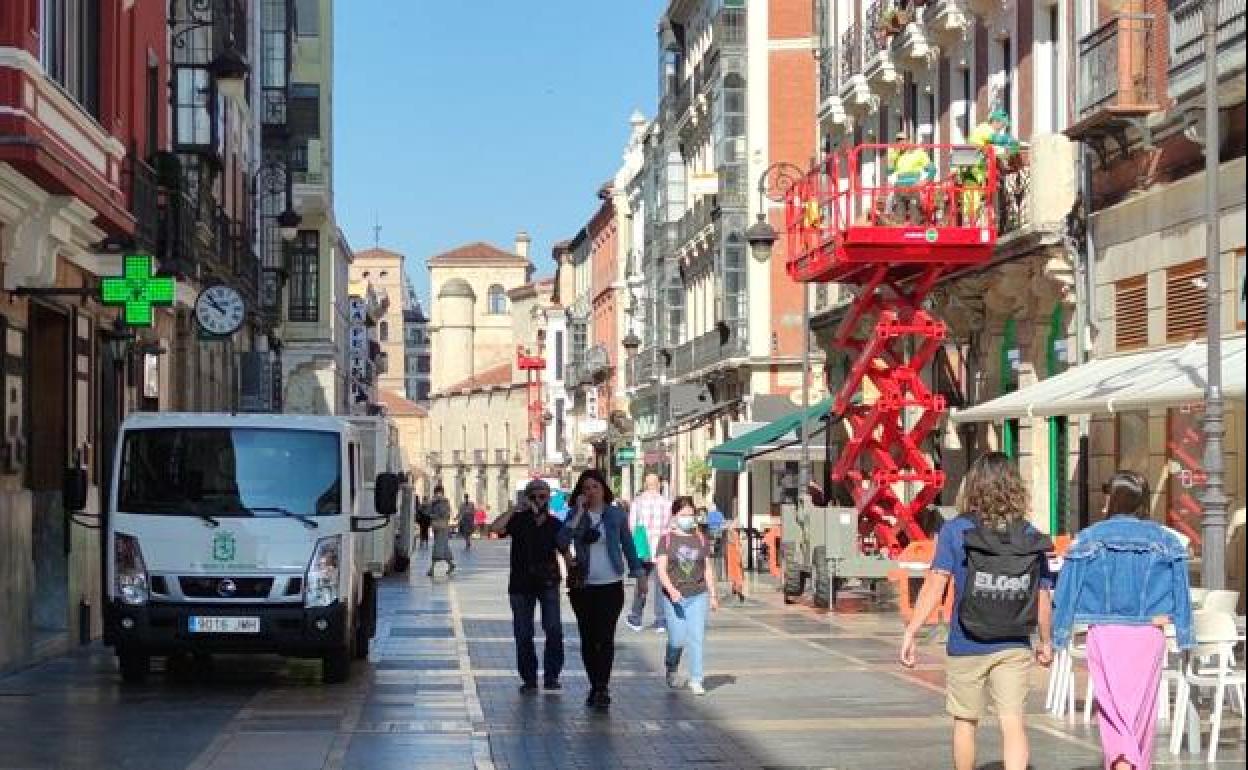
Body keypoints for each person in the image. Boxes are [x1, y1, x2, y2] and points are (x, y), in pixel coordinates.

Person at [900, 452, 1055, 770]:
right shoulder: (1028, 533)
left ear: (973, 486)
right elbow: (1042, 594)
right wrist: (1046, 640)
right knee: (1013, 723)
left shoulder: (956, 530)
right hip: (1013, 642)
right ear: (1015, 488)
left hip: (965, 640)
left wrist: (911, 631)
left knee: (965, 721)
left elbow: (935, 585)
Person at [1052, 471, 1195, 770]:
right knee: (1141, 714)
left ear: (1114, 498)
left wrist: (1058, 636)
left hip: (1105, 633)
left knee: (1113, 711)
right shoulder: (1166, 541)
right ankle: (1134, 763)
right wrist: (1184, 635)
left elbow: (1066, 590)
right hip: (1147, 635)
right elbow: (1181, 591)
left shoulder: (1089, 538)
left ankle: (1121, 762)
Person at [559, 469, 644, 710]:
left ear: (603, 489)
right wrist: (577, 514)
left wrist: (639, 575)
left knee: (605, 637)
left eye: (595, 487)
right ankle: (594, 684)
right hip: (583, 585)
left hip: (610, 584)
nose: (590, 492)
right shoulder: (575, 515)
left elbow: (628, 545)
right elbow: (561, 541)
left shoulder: (616, 515)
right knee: (588, 637)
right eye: (585, 488)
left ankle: (602, 687)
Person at [490, 479, 566, 694]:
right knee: (523, 633)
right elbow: (495, 528)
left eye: (543, 496)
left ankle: (551, 676)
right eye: (535, 496)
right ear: (527, 497)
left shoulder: (554, 523)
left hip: (548, 582)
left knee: (553, 629)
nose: (539, 501)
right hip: (521, 584)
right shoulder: (519, 521)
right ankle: (529, 679)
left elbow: (564, 548)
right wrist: (515, 508)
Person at [656, 496, 719, 696]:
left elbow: (707, 568)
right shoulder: (666, 539)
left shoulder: (701, 538)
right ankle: (672, 667)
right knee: (677, 639)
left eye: (691, 515)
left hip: (697, 594)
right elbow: (661, 570)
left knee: (696, 637)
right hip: (674, 596)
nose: (688, 518)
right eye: (683, 515)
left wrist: (713, 594)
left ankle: (696, 678)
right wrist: (671, 590)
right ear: (675, 516)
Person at [626, 473, 671, 632]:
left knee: (641, 584)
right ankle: (661, 620)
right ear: (659, 484)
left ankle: (636, 618)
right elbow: (669, 527)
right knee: (661, 584)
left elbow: (632, 527)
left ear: (645, 484)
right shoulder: (666, 503)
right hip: (661, 549)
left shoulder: (637, 502)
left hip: (643, 547)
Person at [887, 130, 935, 224]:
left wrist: (924, 182)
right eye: (898, 140)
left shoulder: (918, 153)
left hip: (914, 188)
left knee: (915, 216)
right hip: (899, 189)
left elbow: (932, 170)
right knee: (899, 218)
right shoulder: (896, 154)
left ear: (909, 141)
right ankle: (899, 236)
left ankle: (916, 234)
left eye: (903, 140)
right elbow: (890, 172)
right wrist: (892, 158)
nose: (900, 142)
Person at [427, 486, 456, 577]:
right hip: (437, 527)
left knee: (438, 547)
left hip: (442, 527)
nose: (437, 495)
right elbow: (428, 512)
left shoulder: (444, 502)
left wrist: (435, 514)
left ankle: (432, 569)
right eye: (436, 493)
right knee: (443, 547)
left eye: (438, 493)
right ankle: (451, 565)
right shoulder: (433, 502)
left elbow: (445, 514)